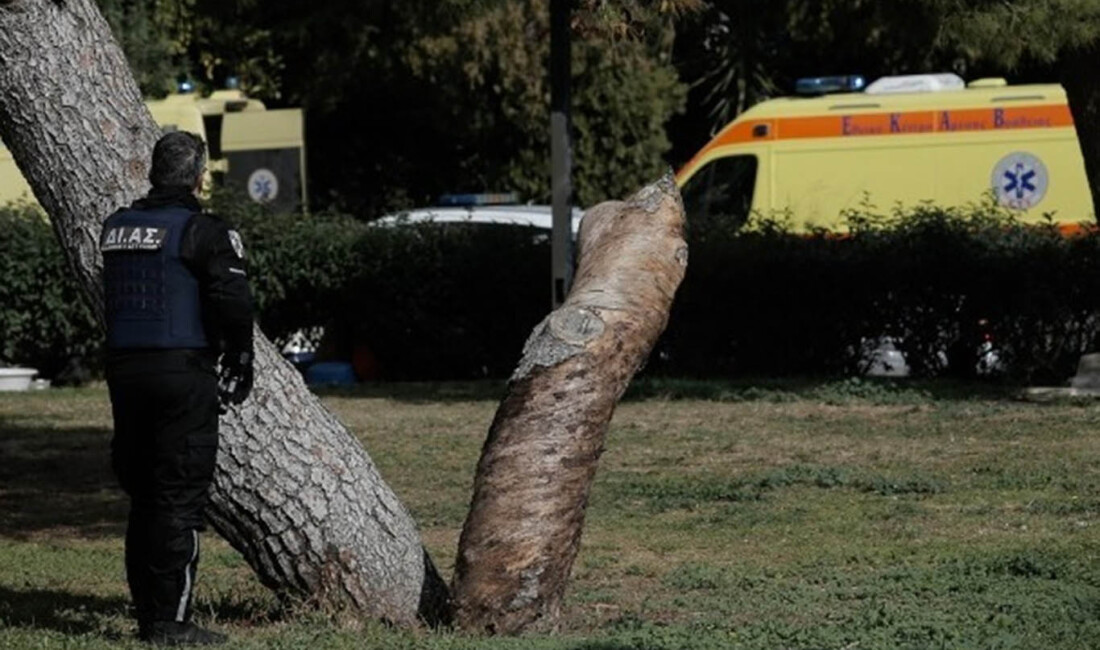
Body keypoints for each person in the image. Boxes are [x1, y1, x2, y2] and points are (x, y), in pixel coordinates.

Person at [102, 131, 254, 646]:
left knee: (145, 497)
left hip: (125, 375)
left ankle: (150, 615)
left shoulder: (117, 227)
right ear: (199, 177)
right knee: (179, 499)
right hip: (182, 375)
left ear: (152, 173)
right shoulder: (202, 230)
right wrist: (241, 355)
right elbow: (233, 300)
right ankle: (170, 624)